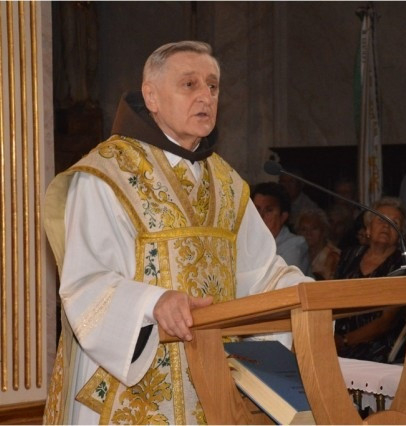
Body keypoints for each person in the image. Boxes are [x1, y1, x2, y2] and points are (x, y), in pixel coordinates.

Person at [42, 41, 312, 425]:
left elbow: (261, 274)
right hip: (134, 388)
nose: (206, 96)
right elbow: (86, 281)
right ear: (151, 96)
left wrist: (305, 295)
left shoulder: (227, 182)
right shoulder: (107, 174)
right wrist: (153, 303)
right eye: (189, 84)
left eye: (213, 86)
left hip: (216, 385)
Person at [334, 197, 406, 363]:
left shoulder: (405, 265)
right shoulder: (350, 254)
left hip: (376, 347)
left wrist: (344, 341)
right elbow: (331, 296)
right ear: (368, 228)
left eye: (394, 222)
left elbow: (387, 321)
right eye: (381, 220)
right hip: (335, 336)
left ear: (401, 234)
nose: (387, 226)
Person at [251, 182, 311, 275]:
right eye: (257, 209)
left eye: (269, 210)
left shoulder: (295, 245)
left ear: (283, 216)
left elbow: (282, 280)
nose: (260, 216)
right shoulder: (247, 240)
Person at [295, 208, 341, 280]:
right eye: (304, 229)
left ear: (323, 230)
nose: (308, 234)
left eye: (314, 228)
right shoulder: (296, 253)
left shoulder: (333, 256)